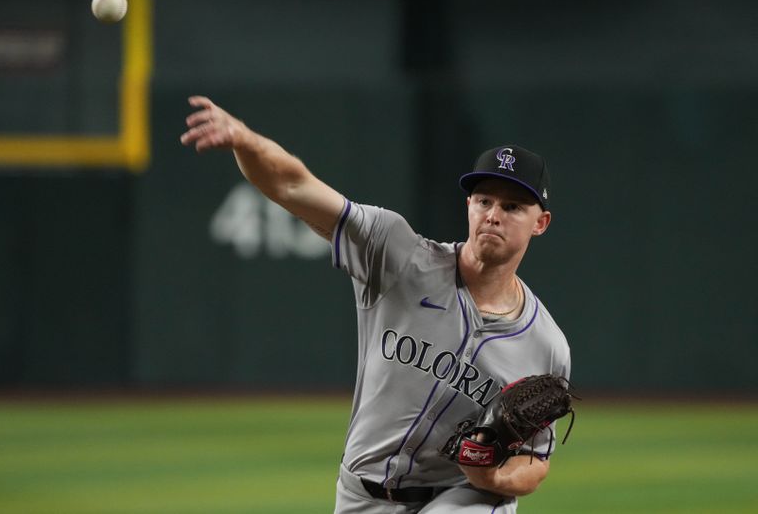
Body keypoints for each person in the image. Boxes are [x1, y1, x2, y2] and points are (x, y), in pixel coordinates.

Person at [180, 96, 571, 513]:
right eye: (484, 201)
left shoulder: (546, 345)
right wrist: (246, 140)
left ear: (540, 222)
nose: (494, 214)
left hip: (462, 498)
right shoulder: (398, 255)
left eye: (512, 206)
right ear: (469, 206)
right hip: (361, 495)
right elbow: (294, 185)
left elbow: (535, 460)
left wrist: (492, 476)